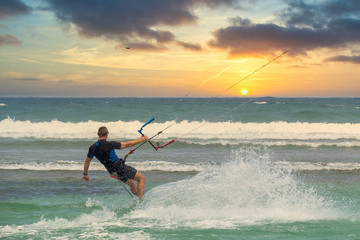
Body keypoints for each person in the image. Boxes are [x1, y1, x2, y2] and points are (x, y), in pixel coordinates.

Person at [83, 126, 148, 200]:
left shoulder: (92, 148)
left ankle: (139, 197)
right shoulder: (110, 144)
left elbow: (87, 162)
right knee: (141, 178)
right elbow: (128, 144)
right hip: (120, 168)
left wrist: (85, 174)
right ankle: (141, 200)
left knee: (131, 184)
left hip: (113, 172)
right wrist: (142, 139)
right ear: (107, 134)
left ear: (98, 134)